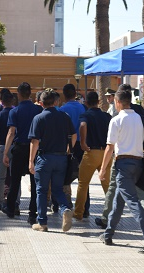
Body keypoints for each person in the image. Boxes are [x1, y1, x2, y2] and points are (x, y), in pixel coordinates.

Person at [98, 87, 144, 254]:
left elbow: (109, 147)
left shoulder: (116, 120)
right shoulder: (141, 119)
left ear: (118, 102)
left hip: (123, 164)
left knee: (133, 203)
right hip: (138, 164)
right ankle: (108, 234)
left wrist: (103, 169)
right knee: (118, 202)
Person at [28, 89, 76, 232]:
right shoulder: (64, 116)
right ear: (56, 102)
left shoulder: (38, 118)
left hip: (44, 158)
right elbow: (73, 135)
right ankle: (65, 208)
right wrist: (69, 149)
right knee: (57, 189)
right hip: (61, 158)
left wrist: (31, 161)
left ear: (41, 103)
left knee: (41, 190)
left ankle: (42, 223)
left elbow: (35, 141)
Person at [3, 82, 42, 222]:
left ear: (18, 94)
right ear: (30, 93)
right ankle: (32, 213)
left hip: (19, 148)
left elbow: (11, 132)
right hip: (34, 148)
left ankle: (11, 209)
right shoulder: (38, 110)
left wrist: (5, 152)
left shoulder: (15, 111)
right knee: (35, 182)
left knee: (15, 180)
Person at [73, 92, 112, 221]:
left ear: (86, 103)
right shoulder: (107, 116)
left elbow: (83, 125)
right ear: (99, 101)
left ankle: (78, 213)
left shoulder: (86, 115)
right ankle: (111, 212)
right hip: (106, 153)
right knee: (107, 185)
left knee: (83, 184)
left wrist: (83, 143)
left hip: (91, 152)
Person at [60, 83, 87, 214]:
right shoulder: (83, 108)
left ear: (64, 95)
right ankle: (84, 208)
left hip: (67, 146)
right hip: (82, 145)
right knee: (83, 178)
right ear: (75, 94)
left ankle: (66, 204)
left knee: (65, 176)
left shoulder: (62, 110)